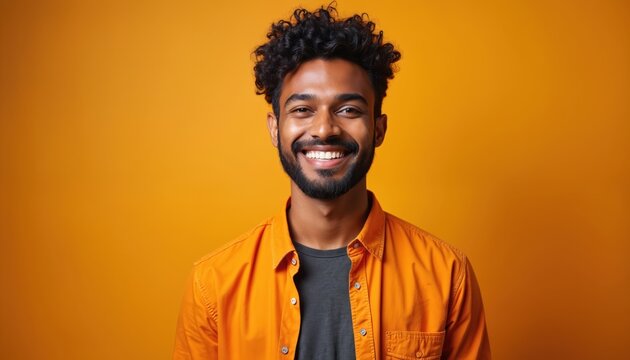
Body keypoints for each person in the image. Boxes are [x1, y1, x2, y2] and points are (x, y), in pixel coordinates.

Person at [173, 5, 490, 360]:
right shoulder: (213, 283)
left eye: (348, 110)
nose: (324, 129)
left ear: (379, 129)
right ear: (275, 129)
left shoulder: (446, 274)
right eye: (302, 110)